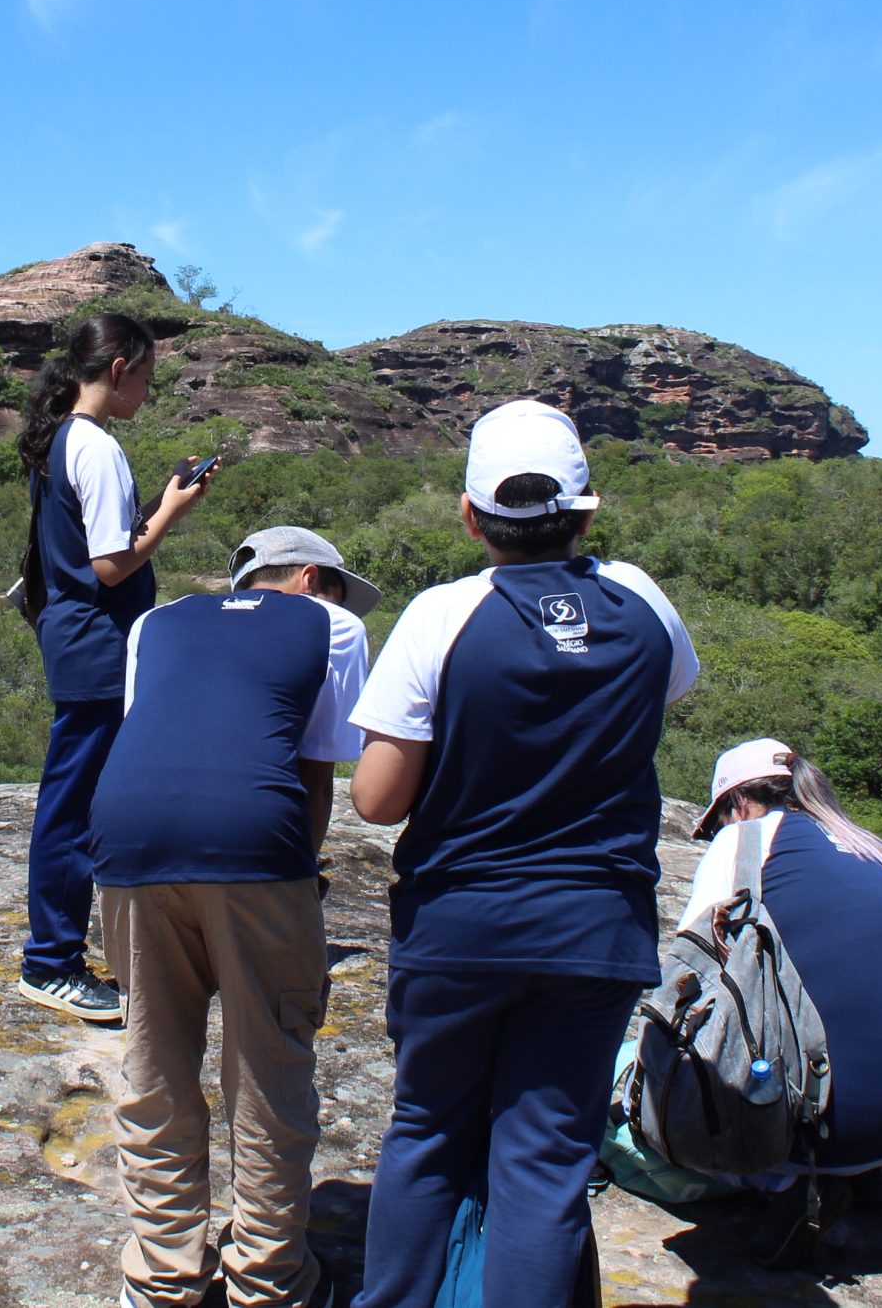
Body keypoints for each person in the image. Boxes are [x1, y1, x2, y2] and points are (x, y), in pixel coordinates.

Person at [347, 399, 701, 1308]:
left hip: (459, 926)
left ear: (470, 516)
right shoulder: (645, 601)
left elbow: (377, 801)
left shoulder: (441, 615)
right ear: (587, 510)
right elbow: (663, 695)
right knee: (546, 1162)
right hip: (597, 930)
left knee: (427, 1131)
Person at [88, 525, 380, 1308]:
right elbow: (313, 772)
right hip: (252, 837)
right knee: (266, 1069)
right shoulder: (334, 625)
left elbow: (149, 734)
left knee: (153, 1060)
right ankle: (268, 1280)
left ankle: (163, 1278)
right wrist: (292, 880)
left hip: (125, 835)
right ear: (312, 577)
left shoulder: (156, 623)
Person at [677, 737, 882, 1260]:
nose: (718, 831)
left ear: (737, 803)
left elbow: (690, 973)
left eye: (718, 817)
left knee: (667, 1069)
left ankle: (787, 1187)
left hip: (834, 1127)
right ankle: (869, 1173)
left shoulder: (739, 842)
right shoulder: (863, 846)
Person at [14, 312, 212, 1024]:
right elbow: (110, 562)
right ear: (120, 368)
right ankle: (51, 962)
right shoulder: (93, 445)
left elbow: (98, 544)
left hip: (83, 640)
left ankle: (65, 952)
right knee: (73, 808)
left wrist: (158, 504)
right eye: (147, 380)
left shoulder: (63, 437)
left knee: (82, 799)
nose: (148, 395)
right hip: (97, 644)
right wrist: (173, 515)